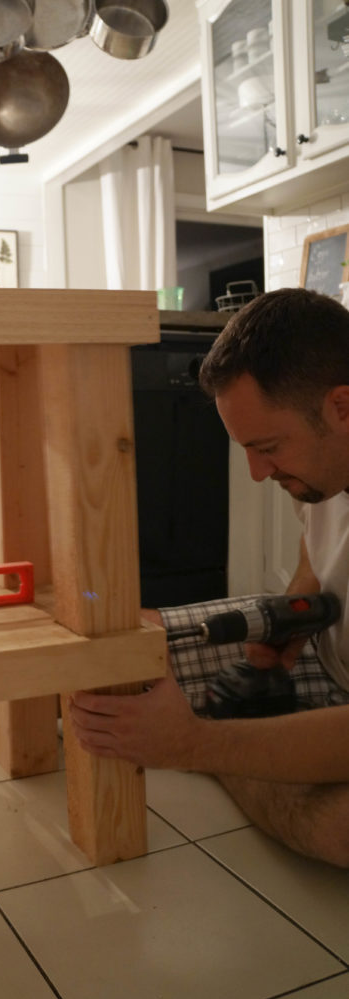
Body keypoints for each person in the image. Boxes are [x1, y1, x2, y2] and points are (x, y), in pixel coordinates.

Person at [69, 287, 349, 869]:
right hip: (324, 667)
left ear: (342, 407)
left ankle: (225, 747)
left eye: (268, 447)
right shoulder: (321, 472)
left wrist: (195, 744)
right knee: (119, 640)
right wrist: (291, 619)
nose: (255, 473)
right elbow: (313, 556)